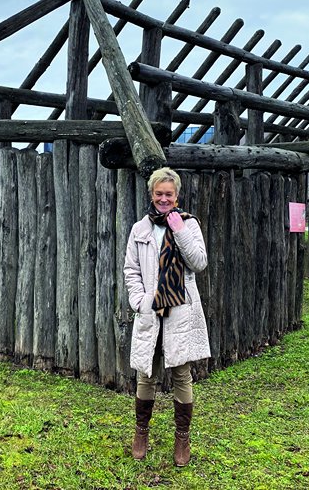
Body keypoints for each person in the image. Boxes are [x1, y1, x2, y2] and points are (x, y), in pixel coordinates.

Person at [124, 167, 211, 466]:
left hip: (179, 311)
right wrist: (139, 301)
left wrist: (181, 231)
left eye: (169, 194)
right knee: (146, 374)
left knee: (181, 374)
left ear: (177, 196)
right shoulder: (140, 229)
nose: (164, 199)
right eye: (159, 194)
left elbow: (199, 263)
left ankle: (182, 439)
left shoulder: (189, 224)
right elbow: (131, 271)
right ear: (151, 194)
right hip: (151, 311)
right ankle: (141, 433)